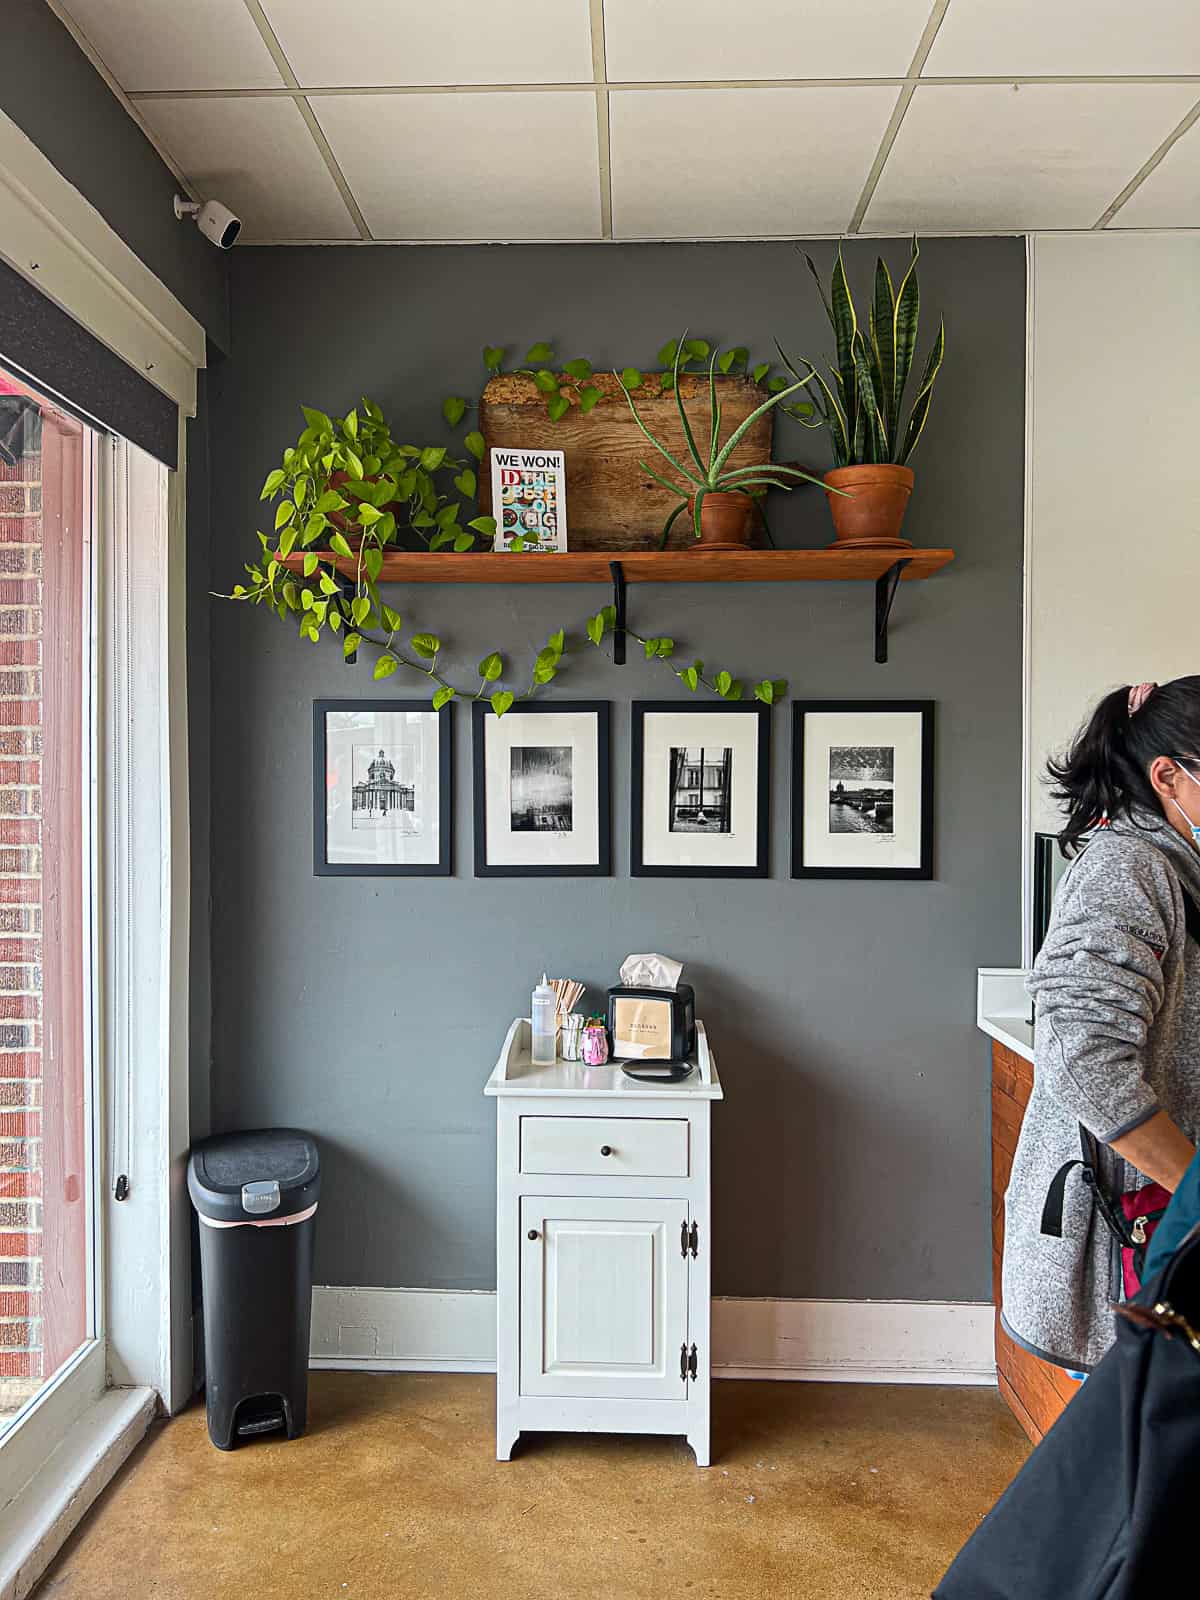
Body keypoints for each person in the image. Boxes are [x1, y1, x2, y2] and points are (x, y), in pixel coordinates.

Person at [1002, 677, 1200, 1374]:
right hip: (1133, 1225)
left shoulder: (1181, 868)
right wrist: (1197, 1185)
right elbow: (1084, 1057)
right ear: (1168, 777)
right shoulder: (1127, 868)